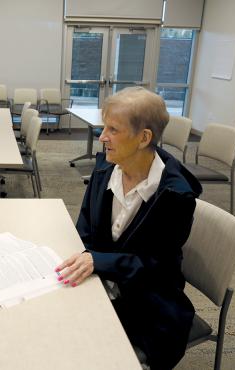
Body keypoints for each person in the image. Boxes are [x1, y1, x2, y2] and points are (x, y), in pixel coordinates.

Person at [56, 87, 202, 369]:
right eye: (104, 127)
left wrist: (96, 261)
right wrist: (86, 259)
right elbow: (85, 228)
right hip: (103, 288)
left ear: (144, 138)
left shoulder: (175, 197)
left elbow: (154, 267)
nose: (102, 137)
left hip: (150, 310)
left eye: (113, 129)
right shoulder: (105, 170)